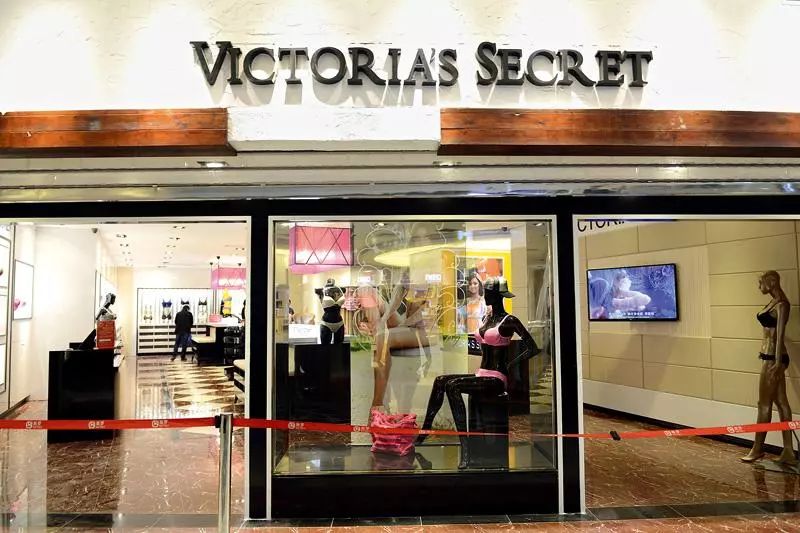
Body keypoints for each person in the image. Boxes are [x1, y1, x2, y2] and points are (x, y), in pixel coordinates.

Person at [416, 276, 540, 468]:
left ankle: (465, 448)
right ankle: (424, 432)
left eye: (488, 292)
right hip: (482, 373)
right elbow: (483, 346)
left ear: (498, 295)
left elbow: (532, 347)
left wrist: (510, 365)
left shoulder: (509, 320)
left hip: (496, 378)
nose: (485, 295)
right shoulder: (487, 318)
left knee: (453, 386)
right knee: (440, 380)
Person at [741, 271, 797, 465]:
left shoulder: (782, 304)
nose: (759, 287)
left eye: (761, 283)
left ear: (771, 282)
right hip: (771, 356)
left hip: (773, 358)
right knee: (781, 402)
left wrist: (778, 362)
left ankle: (757, 449)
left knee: (764, 404)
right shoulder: (773, 303)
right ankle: (788, 451)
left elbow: (780, 335)